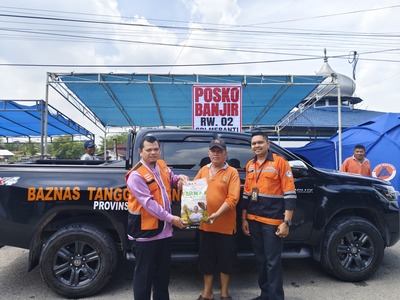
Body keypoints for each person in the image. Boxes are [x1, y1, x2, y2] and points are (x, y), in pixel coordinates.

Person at [125, 135, 188, 300]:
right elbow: (149, 204)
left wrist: (180, 179)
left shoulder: (161, 164)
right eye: (149, 150)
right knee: (143, 280)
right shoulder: (136, 175)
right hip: (145, 234)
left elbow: (171, 178)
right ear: (140, 152)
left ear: (159, 150)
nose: (153, 153)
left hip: (164, 233)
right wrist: (172, 219)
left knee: (162, 279)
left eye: (156, 149)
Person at [241, 132, 296, 300]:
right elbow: (247, 195)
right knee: (260, 260)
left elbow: (290, 194)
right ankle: (265, 294)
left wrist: (286, 222)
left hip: (272, 221)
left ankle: (276, 297)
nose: (256, 146)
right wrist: (244, 218)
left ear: (268, 143)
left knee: (273, 262)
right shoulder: (250, 165)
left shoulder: (280, 163)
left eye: (260, 142)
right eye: (253, 143)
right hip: (254, 219)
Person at [194, 139, 241, 300]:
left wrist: (217, 214)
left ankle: (224, 293)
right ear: (209, 153)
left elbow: (233, 199)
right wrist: (183, 185)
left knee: (226, 261)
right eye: (213, 150)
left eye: (219, 151)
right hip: (205, 226)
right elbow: (193, 191)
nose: (216, 153)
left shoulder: (232, 172)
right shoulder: (203, 171)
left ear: (225, 154)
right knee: (206, 261)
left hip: (226, 226)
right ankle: (207, 292)